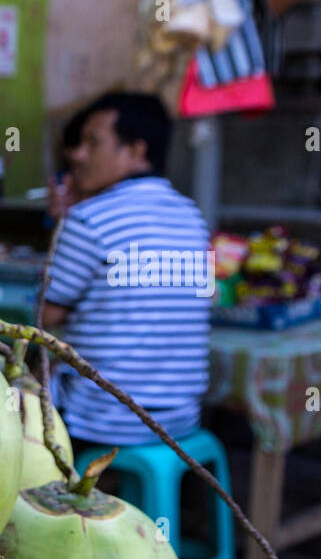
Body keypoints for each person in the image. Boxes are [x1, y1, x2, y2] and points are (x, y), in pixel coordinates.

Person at [40, 92, 212, 447]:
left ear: (136, 151)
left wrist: (61, 225)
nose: (77, 155)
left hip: (99, 421)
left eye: (93, 143)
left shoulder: (89, 220)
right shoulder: (192, 217)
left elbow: (45, 315)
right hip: (179, 420)